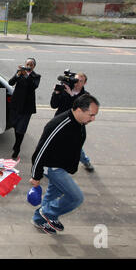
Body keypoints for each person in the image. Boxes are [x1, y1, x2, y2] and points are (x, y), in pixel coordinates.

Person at [29, 94, 100, 234]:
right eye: (91, 115)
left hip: (64, 167)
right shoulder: (58, 125)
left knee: (51, 196)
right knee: (76, 197)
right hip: (53, 168)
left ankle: (38, 219)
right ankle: (47, 212)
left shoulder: (80, 122)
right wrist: (35, 176)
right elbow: (40, 152)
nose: (93, 119)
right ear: (79, 110)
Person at [50, 72, 94, 172]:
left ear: (85, 83)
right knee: (53, 144)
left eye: (80, 81)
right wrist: (56, 93)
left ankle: (85, 161)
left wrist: (71, 94)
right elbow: (53, 105)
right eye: (76, 80)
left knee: (76, 146)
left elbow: (80, 111)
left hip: (76, 126)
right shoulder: (64, 90)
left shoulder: (86, 96)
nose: (77, 83)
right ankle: (48, 164)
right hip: (61, 123)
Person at [8, 58, 41, 159]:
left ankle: (17, 148)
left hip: (27, 107)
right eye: (27, 64)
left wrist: (26, 75)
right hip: (16, 105)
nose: (29, 66)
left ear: (34, 66)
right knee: (15, 126)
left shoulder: (36, 76)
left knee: (21, 129)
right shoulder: (20, 73)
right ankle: (17, 144)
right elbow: (10, 82)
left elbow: (33, 86)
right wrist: (18, 74)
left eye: (31, 65)